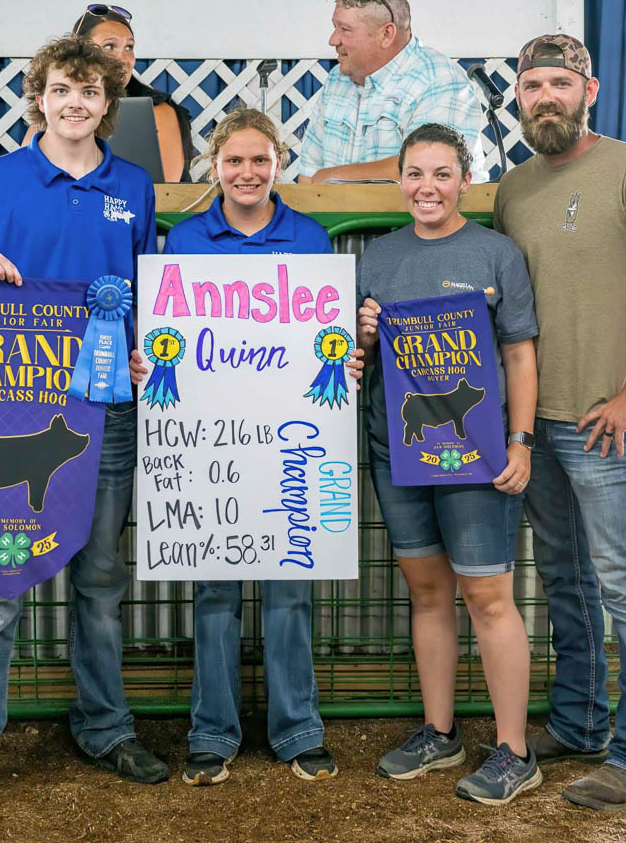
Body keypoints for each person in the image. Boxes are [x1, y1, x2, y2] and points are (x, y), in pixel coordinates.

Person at [0, 34, 161, 820]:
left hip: (107, 409)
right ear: (39, 97)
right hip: (11, 405)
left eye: (91, 92)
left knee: (100, 579)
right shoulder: (0, 179)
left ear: (108, 102)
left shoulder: (133, 186)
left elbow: (145, 294)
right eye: (63, 88)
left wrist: (144, 349)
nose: (76, 103)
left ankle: (105, 726)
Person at [494, 34, 626, 811]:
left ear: (590, 91)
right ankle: (579, 723)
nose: (546, 96)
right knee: (565, 582)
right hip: (535, 425)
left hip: (601, 425)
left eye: (560, 83)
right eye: (533, 86)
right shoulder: (514, 188)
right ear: (519, 97)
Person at [154, 107, 348, 785]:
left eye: (259, 159)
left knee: (291, 587)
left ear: (278, 164)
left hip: (292, 437)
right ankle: (212, 732)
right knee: (215, 590)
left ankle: (298, 730)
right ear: (214, 166)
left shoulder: (311, 240)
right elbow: (165, 337)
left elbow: (326, 340)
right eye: (234, 160)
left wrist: (344, 357)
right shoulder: (183, 241)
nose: (246, 172)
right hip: (211, 440)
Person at [355, 124, 541, 805]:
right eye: (415, 173)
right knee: (428, 593)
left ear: (465, 181)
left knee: (487, 596)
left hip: (478, 456)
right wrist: (361, 338)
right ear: (399, 180)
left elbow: (519, 353)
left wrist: (520, 441)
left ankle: (515, 751)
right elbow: (355, 359)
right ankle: (440, 733)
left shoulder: (497, 254)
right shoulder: (378, 256)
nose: (426, 187)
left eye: (441, 174)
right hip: (396, 449)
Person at [297, 0, 486, 185]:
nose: (333, 40)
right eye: (335, 27)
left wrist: (329, 176)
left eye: (345, 30)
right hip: (338, 208)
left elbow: (429, 168)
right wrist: (317, 186)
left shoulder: (440, 80)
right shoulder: (336, 79)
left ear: (386, 34)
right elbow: (308, 174)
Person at [73, 3, 194, 182]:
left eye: (129, 47)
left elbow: (164, 191)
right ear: (78, 54)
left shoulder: (157, 111)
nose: (124, 60)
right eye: (109, 47)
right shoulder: (58, 108)